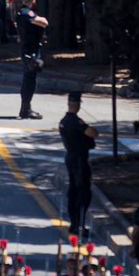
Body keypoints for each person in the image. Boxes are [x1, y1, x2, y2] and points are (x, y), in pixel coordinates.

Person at [59, 91, 96, 234]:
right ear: (77, 104)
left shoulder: (63, 121)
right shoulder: (75, 122)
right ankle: (78, 224)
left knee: (73, 190)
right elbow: (92, 133)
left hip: (71, 157)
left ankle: (74, 223)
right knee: (83, 193)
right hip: (80, 160)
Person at [17, 0, 48, 119]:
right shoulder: (26, 12)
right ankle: (25, 109)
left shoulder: (21, 12)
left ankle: (26, 108)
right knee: (29, 80)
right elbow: (43, 22)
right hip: (30, 50)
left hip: (28, 48)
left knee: (29, 79)